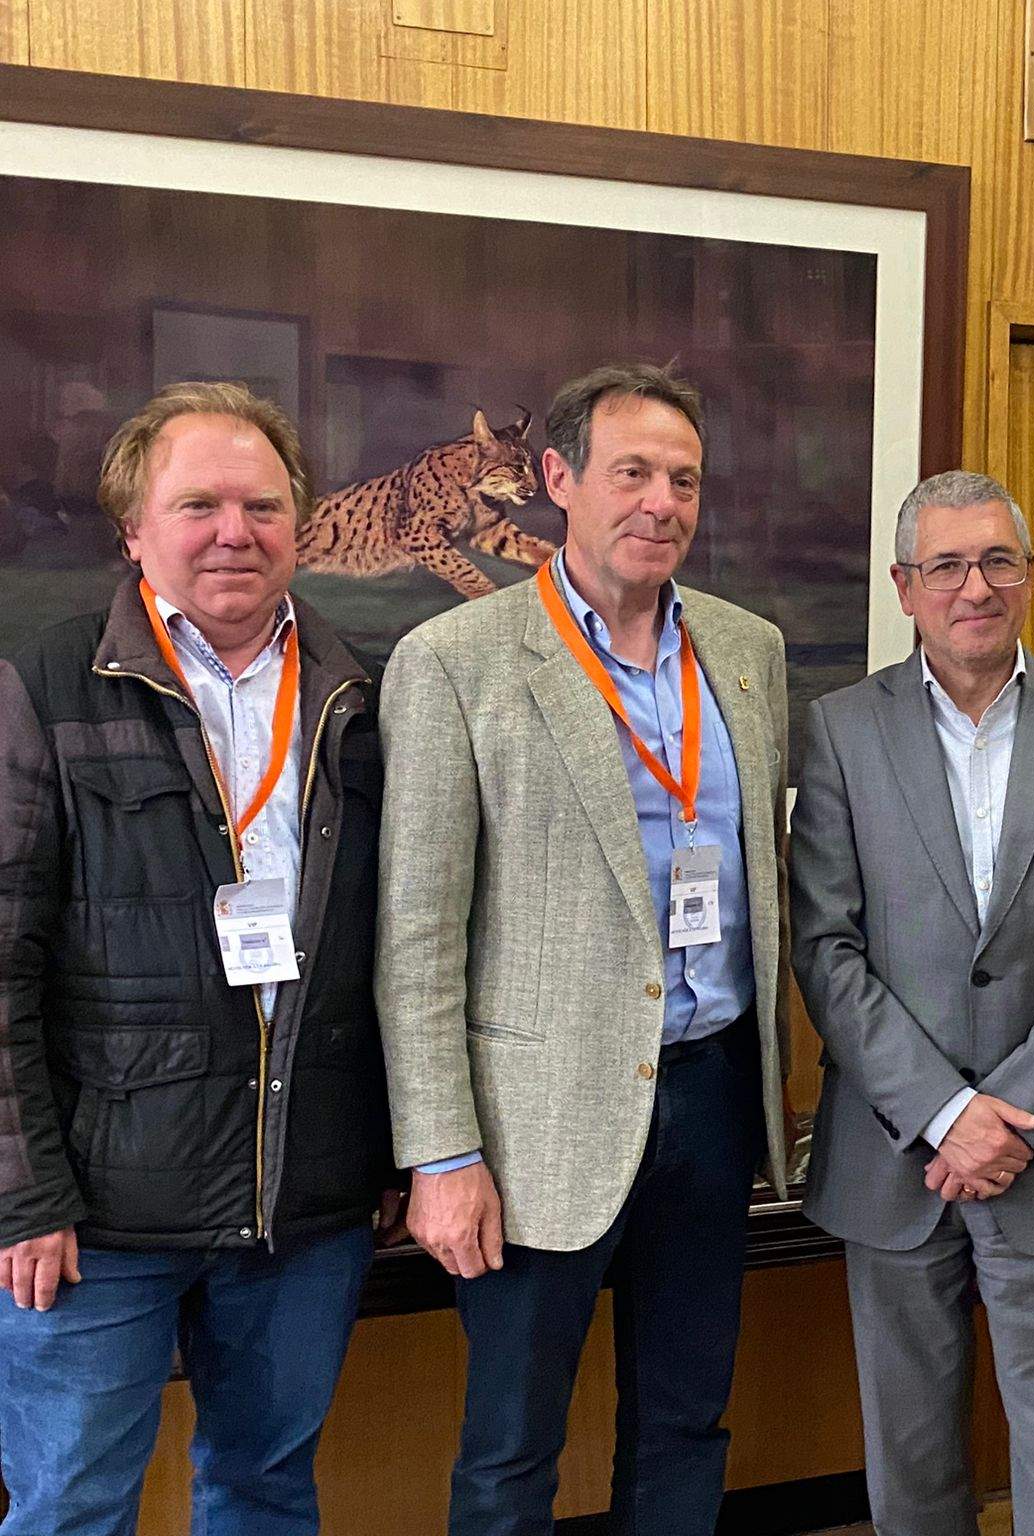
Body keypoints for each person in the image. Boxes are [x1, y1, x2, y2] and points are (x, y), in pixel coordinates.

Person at [376, 363, 790, 1536]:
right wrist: (441, 1153)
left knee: (684, 1424)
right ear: (557, 480)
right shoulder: (458, 662)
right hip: (530, 1126)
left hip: (711, 1102)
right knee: (512, 1450)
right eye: (632, 474)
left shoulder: (747, 652)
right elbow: (415, 935)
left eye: (683, 480)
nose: (660, 502)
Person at [0, 381, 396, 1535]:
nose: (236, 530)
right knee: (73, 1506)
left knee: (266, 1493)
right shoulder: (45, 687)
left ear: (302, 523)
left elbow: (400, 946)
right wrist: (21, 1200)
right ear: (135, 530)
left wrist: (381, 1151)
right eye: (199, 504)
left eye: (263, 504)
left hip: (301, 1205)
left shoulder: (362, 693)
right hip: (96, 1215)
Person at [791, 470, 1034, 1536]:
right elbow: (825, 945)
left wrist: (1009, 1120)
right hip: (892, 1151)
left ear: (1028, 578)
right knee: (907, 1460)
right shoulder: (841, 731)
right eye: (945, 565)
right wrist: (948, 1116)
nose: (974, 586)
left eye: (996, 560)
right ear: (904, 588)